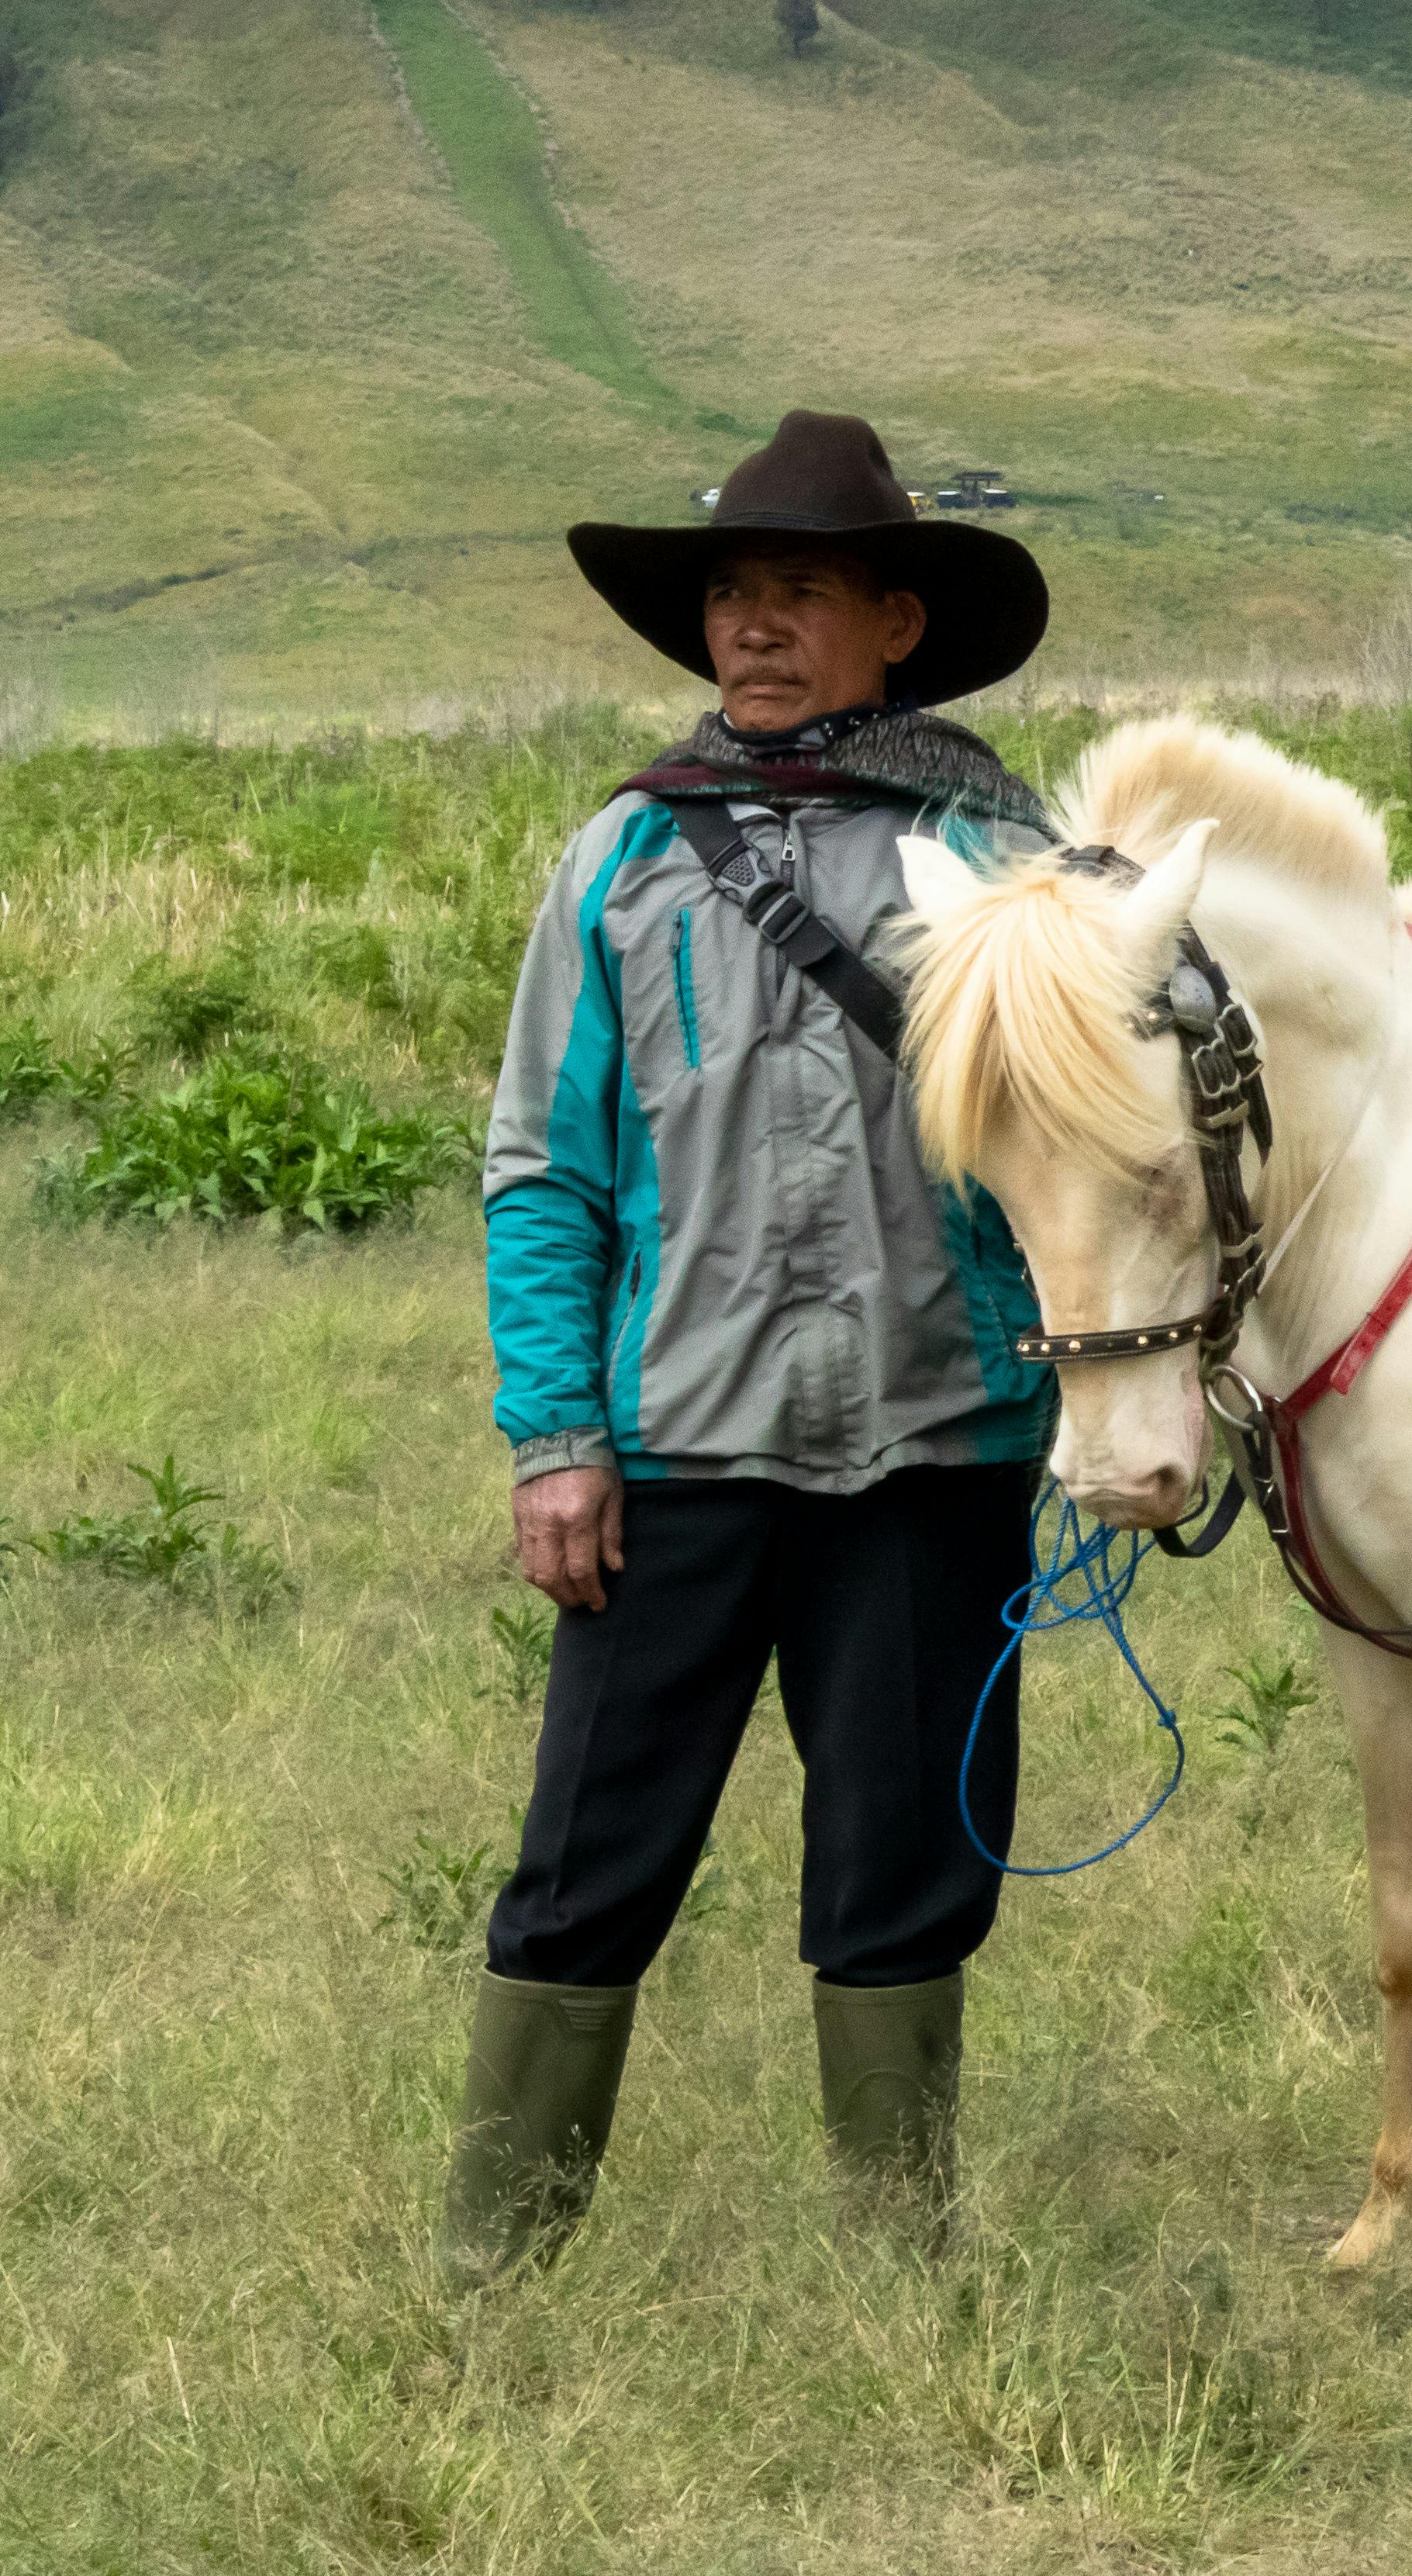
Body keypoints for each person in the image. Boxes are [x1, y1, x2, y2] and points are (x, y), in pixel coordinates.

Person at [449, 410, 1064, 2277]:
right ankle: (494, 2272)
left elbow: (1103, 1150)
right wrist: (557, 1436)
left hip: (936, 1441)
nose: (753, 625)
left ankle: (901, 2266)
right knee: (587, 1861)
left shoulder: (1008, 859)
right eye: (729, 591)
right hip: (676, 1451)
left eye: (797, 590)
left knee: (904, 1865)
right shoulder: (623, 860)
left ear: (896, 619)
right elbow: (542, 1169)